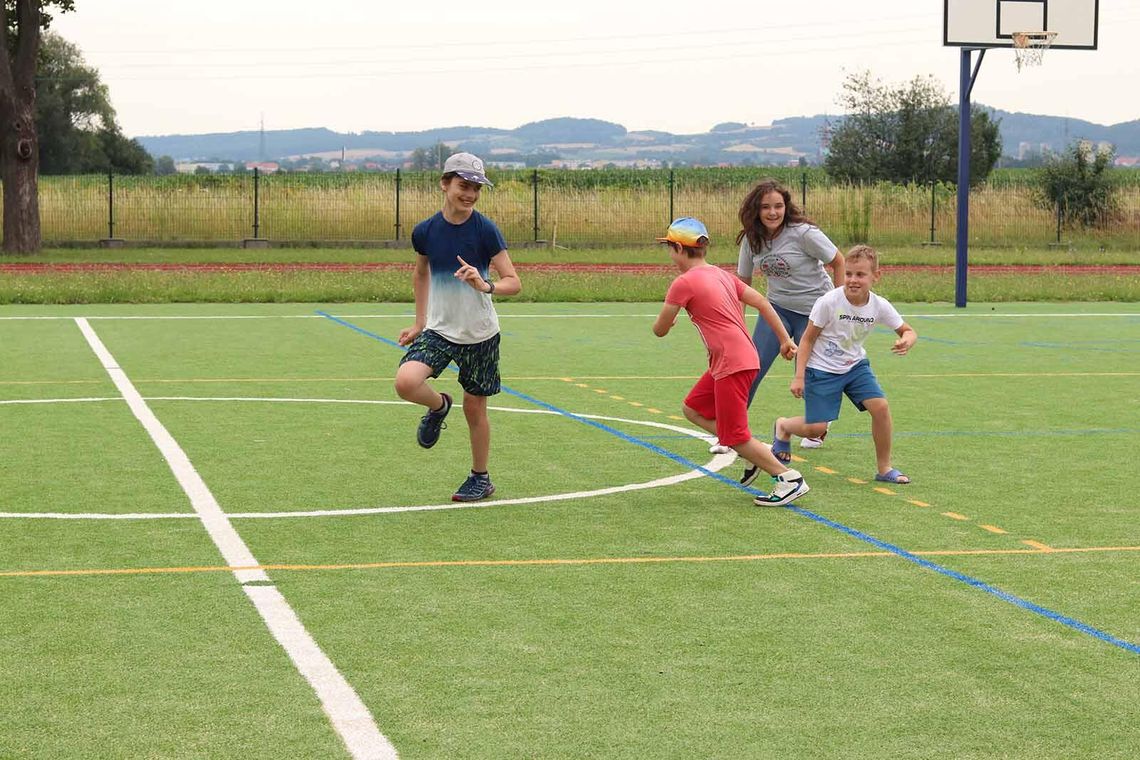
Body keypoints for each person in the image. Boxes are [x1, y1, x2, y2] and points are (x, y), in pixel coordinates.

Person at [651, 217, 809, 508]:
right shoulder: (721, 275)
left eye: (669, 248)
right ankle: (756, 452)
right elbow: (763, 301)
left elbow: (659, 330)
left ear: (677, 248)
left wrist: (667, 323)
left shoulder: (682, 283)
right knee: (693, 408)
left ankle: (789, 478)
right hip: (737, 359)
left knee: (734, 436)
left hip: (732, 363)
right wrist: (785, 339)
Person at [394, 152, 521, 502]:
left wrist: (486, 285)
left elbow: (513, 281)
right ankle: (438, 407)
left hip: (480, 334)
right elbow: (421, 273)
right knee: (406, 382)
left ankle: (480, 478)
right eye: (464, 186)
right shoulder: (426, 231)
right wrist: (420, 322)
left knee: (475, 408)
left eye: (476, 188)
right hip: (439, 330)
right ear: (445, 183)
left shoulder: (485, 230)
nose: (470, 194)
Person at [773, 245, 917, 484]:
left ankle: (884, 469)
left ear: (875, 276)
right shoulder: (829, 301)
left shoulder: (879, 305)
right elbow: (807, 339)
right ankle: (784, 426)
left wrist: (907, 340)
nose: (852, 280)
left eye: (860, 275)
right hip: (821, 369)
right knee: (816, 429)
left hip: (855, 367)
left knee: (880, 408)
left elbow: (908, 330)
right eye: (848, 274)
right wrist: (799, 376)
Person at [736, 179, 845, 451]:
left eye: (778, 206)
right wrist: (737, 325)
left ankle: (817, 426)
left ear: (786, 207)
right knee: (752, 366)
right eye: (766, 207)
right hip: (777, 310)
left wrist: (841, 304)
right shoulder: (752, 239)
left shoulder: (804, 233)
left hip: (815, 311)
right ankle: (732, 430)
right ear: (756, 210)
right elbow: (743, 283)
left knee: (814, 373)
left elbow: (838, 261)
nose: (773, 212)